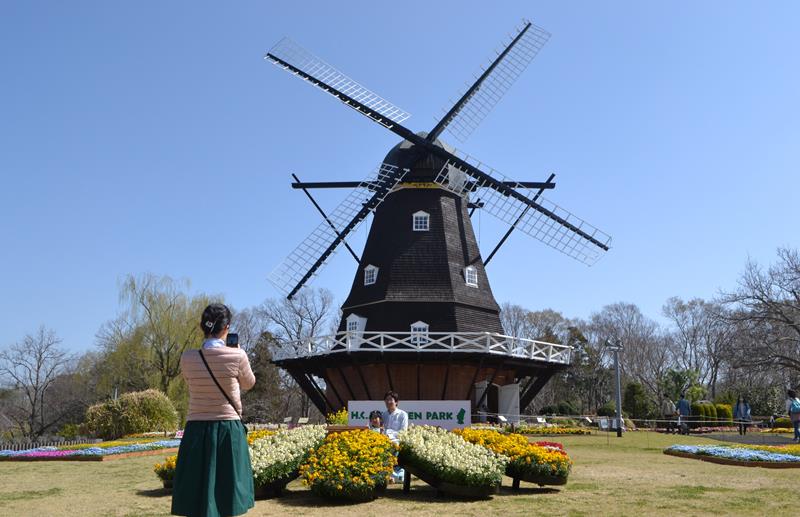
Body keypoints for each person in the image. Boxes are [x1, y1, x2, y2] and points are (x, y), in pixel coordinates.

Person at [172, 303, 256, 517]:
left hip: (196, 429)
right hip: (228, 427)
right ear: (227, 327)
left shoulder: (188, 358)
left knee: (197, 491)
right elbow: (249, 383)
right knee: (228, 491)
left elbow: (190, 381)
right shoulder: (237, 356)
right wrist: (236, 353)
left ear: (202, 326)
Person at [382, 391, 408, 483]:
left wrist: (389, 434)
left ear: (396, 402)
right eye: (386, 400)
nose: (388, 402)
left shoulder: (402, 414)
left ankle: (396, 474)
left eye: (390, 400)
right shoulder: (383, 415)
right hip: (384, 441)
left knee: (394, 446)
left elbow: (403, 432)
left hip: (396, 441)